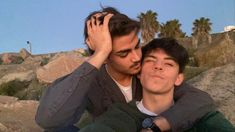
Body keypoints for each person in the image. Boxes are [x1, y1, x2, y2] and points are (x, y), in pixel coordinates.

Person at [35, 7, 215, 132]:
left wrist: (161, 123)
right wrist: (100, 53)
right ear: (105, 58)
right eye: (123, 53)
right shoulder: (90, 79)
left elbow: (199, 99)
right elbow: (48, 119)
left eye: (136, 46)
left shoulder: (149, 67)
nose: (137, 57)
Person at [79, 38, 235, 132]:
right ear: (139, 73)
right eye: (151, 61)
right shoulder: (118, 116)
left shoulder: (201, 117)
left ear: (178, 79)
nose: (158, 66)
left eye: (168, 64)